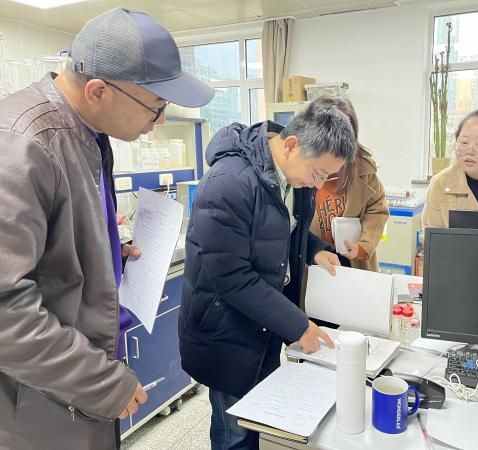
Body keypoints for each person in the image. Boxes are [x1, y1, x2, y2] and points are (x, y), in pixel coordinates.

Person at [0, 7, 214, 450]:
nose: (159, 122)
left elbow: (51, 249)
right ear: (98, 91)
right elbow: (5, 311)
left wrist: (106, 251)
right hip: (39, 410)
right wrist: (103, 383)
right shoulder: (24, 145)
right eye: (155, 107)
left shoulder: (87, 134)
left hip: (74, 394)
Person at [178, 102, 357, 450]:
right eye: (318, 173)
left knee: (260, 418)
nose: (319, 183)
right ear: (290, 145)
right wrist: (298, 324)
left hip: (264, 320)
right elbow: (231, 277)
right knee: (234, 431)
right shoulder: (229, 183)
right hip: (225, 330)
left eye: (327, 177)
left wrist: (314, 248)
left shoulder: (295, 174)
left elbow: (284, 228)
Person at [308, 95, 389, 272]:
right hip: (313, 262)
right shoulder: (302, 167)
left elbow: (378, 208)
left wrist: (364, 245)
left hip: (353, 260)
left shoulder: (363, 167)